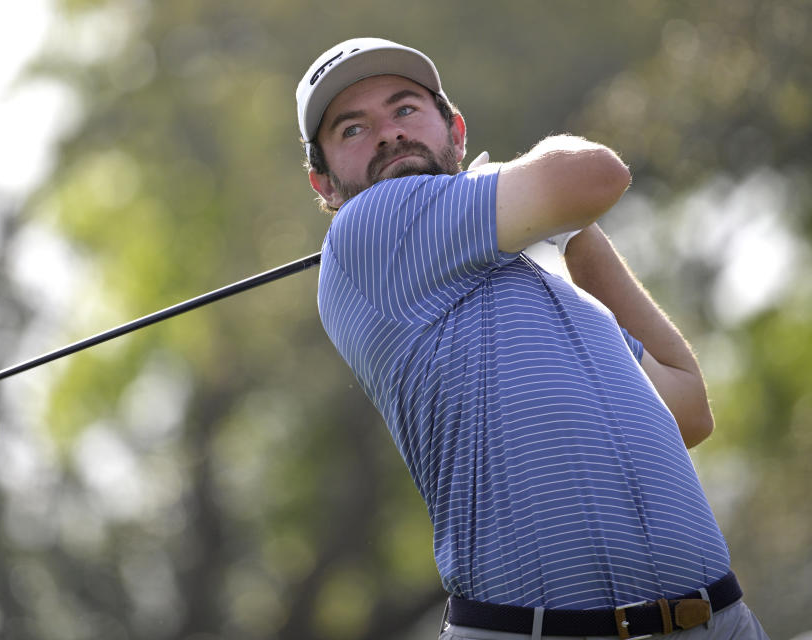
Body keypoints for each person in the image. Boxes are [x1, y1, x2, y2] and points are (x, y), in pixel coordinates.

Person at [295, 38, 768, 639]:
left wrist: (561, 230)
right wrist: (541, 189)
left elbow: (687, 408)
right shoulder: (370, 227)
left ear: (456, 131)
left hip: (717, 620)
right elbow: (596, 172)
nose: (388, 134)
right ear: (325, 184)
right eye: (353, 130)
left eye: (405, 109)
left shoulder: (547, 285)